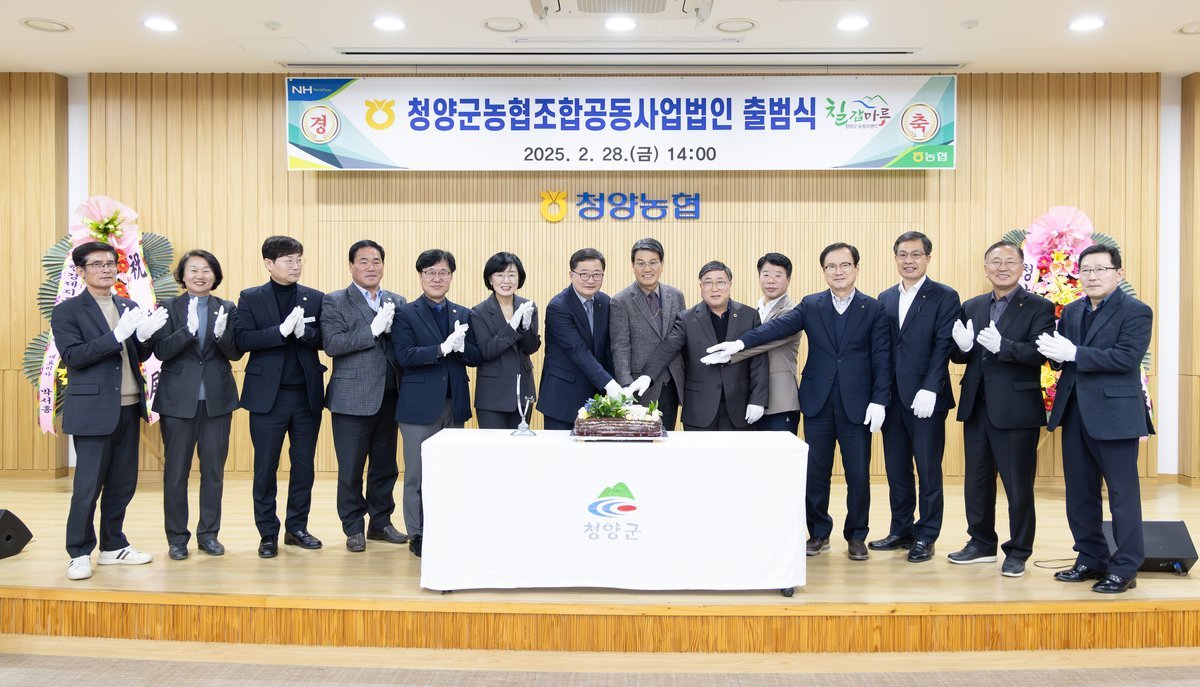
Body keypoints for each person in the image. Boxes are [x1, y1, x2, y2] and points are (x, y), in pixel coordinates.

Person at [705, 243, 890, 561]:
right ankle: (818, 533)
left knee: (858, 474)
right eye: (831, 266)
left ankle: (857, 535)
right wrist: (738, 343)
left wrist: (880, 399)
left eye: (844, 265)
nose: (838, 272)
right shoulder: (812, 304)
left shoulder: (872, 308)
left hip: (858, 403)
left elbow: (882, 356)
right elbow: (775, 328)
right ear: (823, 271)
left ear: (856, 268)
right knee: (815, 473)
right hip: (817, 402)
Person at [1039, 244, 1154, 594]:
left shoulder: (1136, 311)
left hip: (1116, 414)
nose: (1092, 276)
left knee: (1122, 495)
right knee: (1079, 492)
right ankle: (1090, 558)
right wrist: (1052, 352)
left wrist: (1074, 353)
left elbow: (1126, 358)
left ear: (1119, 273)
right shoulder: (1072, 310)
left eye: (1100, 269)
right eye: (1086, 270)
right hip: (1075, 411)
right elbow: (1064, 359)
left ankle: (1125, 567)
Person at [52, 241, 169, 580]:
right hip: (92, 410)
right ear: (80, 271)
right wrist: (116, 335)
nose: (106, 269)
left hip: (129, 407)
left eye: (110, 263)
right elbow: (74, 356)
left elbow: (136, 356)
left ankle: (113, 546)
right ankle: (78, 552)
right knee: (88, 486)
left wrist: (144, 338)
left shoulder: (126, 304)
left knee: (122, 483)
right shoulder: (68, 311)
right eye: (97, 264)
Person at [947, 241, 1055, 578]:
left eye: (1009, 261)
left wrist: (1003, 347)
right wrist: (961, 348)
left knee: (1018, 486)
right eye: (995, 262)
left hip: (1016, 410)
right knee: (977, 482)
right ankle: (981, 542)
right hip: (977, 407)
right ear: (985, 269)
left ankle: (1019, 550)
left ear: (1022, 267)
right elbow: (962, 354)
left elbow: (1041, 353)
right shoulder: (972, 305)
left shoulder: (1039, 307)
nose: (1002, 267)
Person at [233, 235, 326, 559]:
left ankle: (297, 528)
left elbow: (324, 340)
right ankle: (267, 533)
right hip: (266, 398)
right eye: (288, 260)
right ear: (269, 263)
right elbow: (242, 340)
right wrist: (280, 332)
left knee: (304, 466)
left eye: (299, 259)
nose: (296, 265)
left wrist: (305, 333)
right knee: (265, 467)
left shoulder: (315, 298)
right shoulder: (250, 297)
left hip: (305, 396)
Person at [870, 232, 960, 563]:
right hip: (892, 398)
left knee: (928, 469)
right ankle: (901, 529)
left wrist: (931, 387)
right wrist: (878, 396)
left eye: (916, 254)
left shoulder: (945, 295)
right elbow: (881, 348)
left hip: (927, 399)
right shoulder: (884, 297)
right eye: (903, 255)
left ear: (928, 258)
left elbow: (943, 345)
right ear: (895, 258)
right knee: (897, 470)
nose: (909, 260)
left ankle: (927, 535)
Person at [150, 250, 242, 560]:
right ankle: (177, 538)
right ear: (183, 275)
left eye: (206, 270)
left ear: (215, 276)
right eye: (193, 270)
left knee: (213, 472)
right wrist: (186, 332)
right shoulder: (168, 307)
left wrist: (221, 336)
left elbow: (235, 353)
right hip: (177, 401)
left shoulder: (227, 308)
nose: (200, 275)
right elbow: (161, 351)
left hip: (217, 400)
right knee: (176, 473)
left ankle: (208, 535)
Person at [392, 249, 481, 557]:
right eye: (430, 272)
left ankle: (445, 528)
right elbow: (404, 355)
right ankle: (417, 533)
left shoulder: (463, 313)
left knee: (449, 473)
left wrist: (461, 348)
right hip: (418, 407)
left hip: (454, 404)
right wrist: (442, 349)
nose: (437, 278)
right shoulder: (405, 313)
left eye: (443, 272)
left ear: (451, 277)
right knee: (417, 475)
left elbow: (475, 356)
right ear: (421, 276)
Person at [321, 240, 408, 553]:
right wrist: (372, 330)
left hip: (391, 395)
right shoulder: (334, 301)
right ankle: (353, 526)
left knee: (385, 465)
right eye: (363, 261)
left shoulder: (397, 300)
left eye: (376, 261)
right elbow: (333, 344)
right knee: (351, 468)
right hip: (351, 397)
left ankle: (381, 523)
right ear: (351, 266)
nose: (371, 267)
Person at [629, 261, 767, 430]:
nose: (714, 288)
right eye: (708, 282)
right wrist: (646, 376)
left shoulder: (749, 315)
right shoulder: (686, 319)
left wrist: (758, 400)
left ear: (730, 284)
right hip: (699, 410)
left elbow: (759, 361)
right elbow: (668, 348)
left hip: (740, 408)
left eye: (720, 282)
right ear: (700, 286)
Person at [537, 248, 623, 430]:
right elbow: (577, 350)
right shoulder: (558, 307)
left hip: (598, 399)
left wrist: (617, 385)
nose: (590, 280)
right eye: (584, 274)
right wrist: (609, 384)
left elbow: (608, 349)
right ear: (571, 275)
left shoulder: (605, 302)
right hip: (563, 399)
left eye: (597, 274)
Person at [609, 238, 687, 431]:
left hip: (672, 382)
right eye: (641, 263)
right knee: (639, 439)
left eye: (653, 262)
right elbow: (620, 346)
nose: (647, 269)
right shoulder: (621, 301)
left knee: (667, 436)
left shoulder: (676, 296)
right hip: (639, 386)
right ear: (632, 266)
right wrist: (626, 386)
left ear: (662, 264)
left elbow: (681, 339)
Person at [727, 253, 802, 433]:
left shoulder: (793, 313)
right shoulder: (756, 310)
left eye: (778, 275)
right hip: (752, 398)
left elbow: (762, 342)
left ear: (788, 279)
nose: (771, 280)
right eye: (766, 274)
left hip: (780, 401)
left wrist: (729, 354)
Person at [467, 252, 541, 429]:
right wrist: (512, 327)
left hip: (523, 390)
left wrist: (525, 328)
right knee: (493, 446)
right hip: (492, 394)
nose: (506, 281)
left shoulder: (528, 306)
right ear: (490, 279)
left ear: (519, 278)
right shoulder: (479, 311)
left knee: (520, 444)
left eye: (512, 275)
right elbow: (487, 351)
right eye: (500, 275)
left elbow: (531, 348)